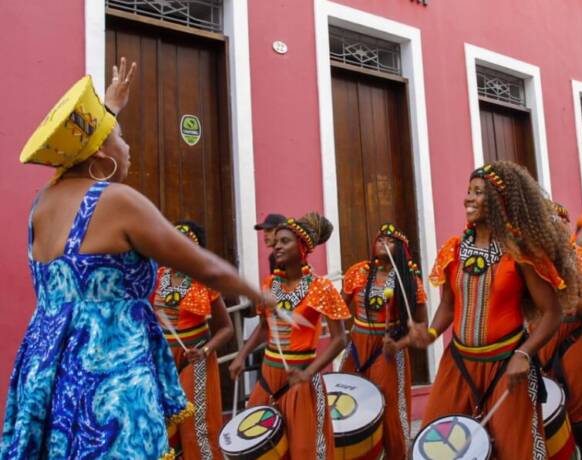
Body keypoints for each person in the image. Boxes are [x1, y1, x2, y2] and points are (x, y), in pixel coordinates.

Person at [1, 60, 269, 460]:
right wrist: (256, 294)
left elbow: (81, 161)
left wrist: (108, 109)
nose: (128, 148)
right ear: (100, 155)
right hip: (109, 368)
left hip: (48, 366)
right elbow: (208, 268)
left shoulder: (42, 204)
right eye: (121, 138)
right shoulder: (116, 201)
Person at [409, 161, 578, 460]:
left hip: (507, 367)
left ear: (499, 202)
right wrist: (432, 333)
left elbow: (552, 312)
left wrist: (524, 354)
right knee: (436, 446)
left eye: (478, 192)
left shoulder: (521, 253)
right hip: (458, 365)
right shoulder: (454, 249)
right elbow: (448, 305)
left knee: (514, 451)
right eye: (468, 191)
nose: (468, 199)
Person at [229, 212, 350, 459]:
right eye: (276, 242)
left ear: (302, 248)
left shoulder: (321, 287)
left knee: (303, 447)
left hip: (302, 375)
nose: (276, 246)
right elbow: (265, 328)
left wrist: (308, 372)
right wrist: (241, 355)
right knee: (258, 444)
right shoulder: (270, 284)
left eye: (284, 241)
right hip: (268, 375)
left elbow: (340, 339)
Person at [341, 223, 428, 458]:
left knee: (388, 407)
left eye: (390, 241)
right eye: (380, 239)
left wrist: (398, 345)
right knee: (349, 401)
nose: (383, 243)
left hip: (388, 350)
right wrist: (341, 337)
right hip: (357, 348)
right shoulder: (358, 271)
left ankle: (396, 455)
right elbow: (338, 309)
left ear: (400, 249)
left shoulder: (408, 280)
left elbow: (421, 327)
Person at [151, 221, 234, 460]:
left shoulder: (204, 280)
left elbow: (226, 329)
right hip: (162, 360)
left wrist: (206, 350)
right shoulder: (157, 276)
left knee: (195, 425)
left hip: (195, 359)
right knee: (162, 421)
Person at [537, 204, 582, 459]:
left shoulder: (581, 257)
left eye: (556, 223)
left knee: (577, 413)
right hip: (537, 342)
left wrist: (561, 296)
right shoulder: (532, 260)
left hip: (571, 343)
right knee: (543, 411)